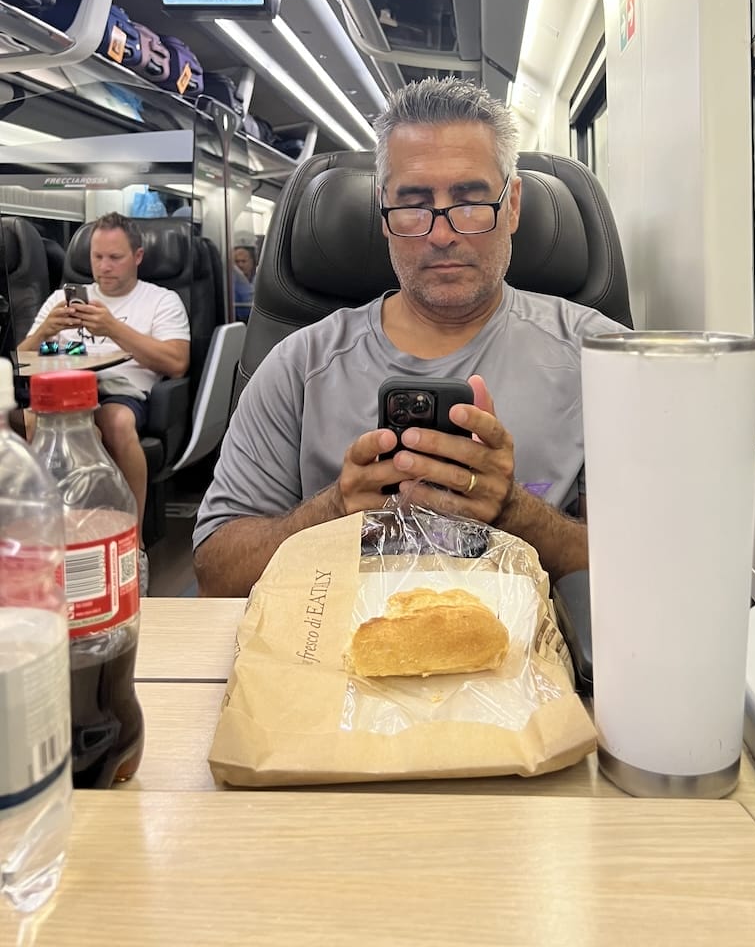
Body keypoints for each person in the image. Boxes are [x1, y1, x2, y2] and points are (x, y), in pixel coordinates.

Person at [193, 77, 623, 597]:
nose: (442, 235)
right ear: (383, 214)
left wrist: (514, 511)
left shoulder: (602, 358)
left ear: (511, 205)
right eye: (414, 204)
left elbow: (647, 561)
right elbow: (216, 570)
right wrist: (334, 511)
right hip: (335, 639)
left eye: (470, 201)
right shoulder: (299, 365)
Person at [20, 212, 191, 590]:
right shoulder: (61, 300)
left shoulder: (161, 300)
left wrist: (112, 327)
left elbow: (176, 362)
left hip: (123, 390)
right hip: (65, 388)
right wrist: (46, 330)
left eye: (115, 257)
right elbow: (20, 358)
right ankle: (52, 536)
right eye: (97, 257)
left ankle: (134, 541)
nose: (104, 267)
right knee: (34, 421)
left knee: (116, 423)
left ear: (138, 257)